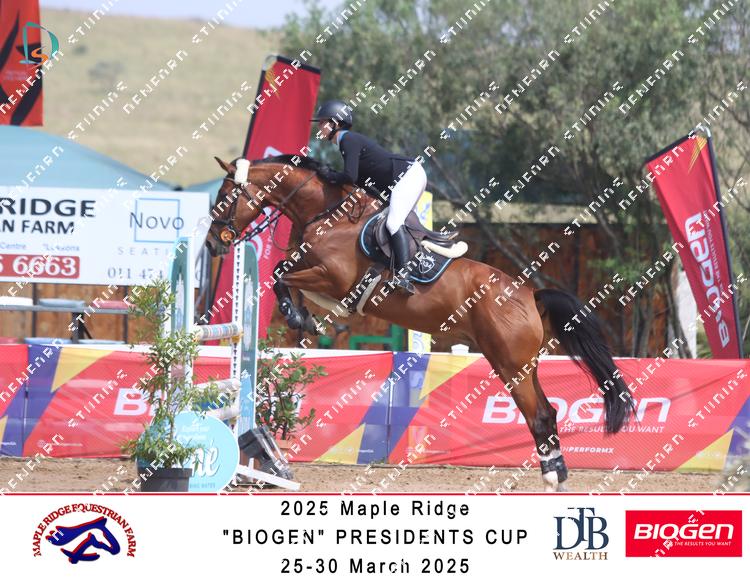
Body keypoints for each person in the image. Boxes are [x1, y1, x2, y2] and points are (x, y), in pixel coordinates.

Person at [311, 99, 426, 295]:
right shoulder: (346, 144)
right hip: (406, 177)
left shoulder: (348, 140)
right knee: (394, 222)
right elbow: (359, 183)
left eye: (322, 122)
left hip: (408, 175)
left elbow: (350, 177)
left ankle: (404, 276)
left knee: (393, 223)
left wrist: (328, 175)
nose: (319, 126)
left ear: (335, 123)